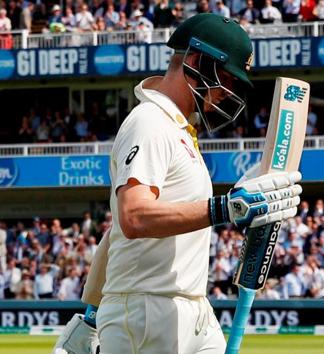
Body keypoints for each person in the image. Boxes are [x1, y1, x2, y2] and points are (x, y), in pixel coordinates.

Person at [53, 14, 302, 354]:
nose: (226, 93)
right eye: (225, 78)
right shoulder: (150, 122)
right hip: (146, 311)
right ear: (196, 60)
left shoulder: (179, 129)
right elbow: (134, 217)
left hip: (192, 307)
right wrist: (227, 207)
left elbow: (116, 234)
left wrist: (91, 315)